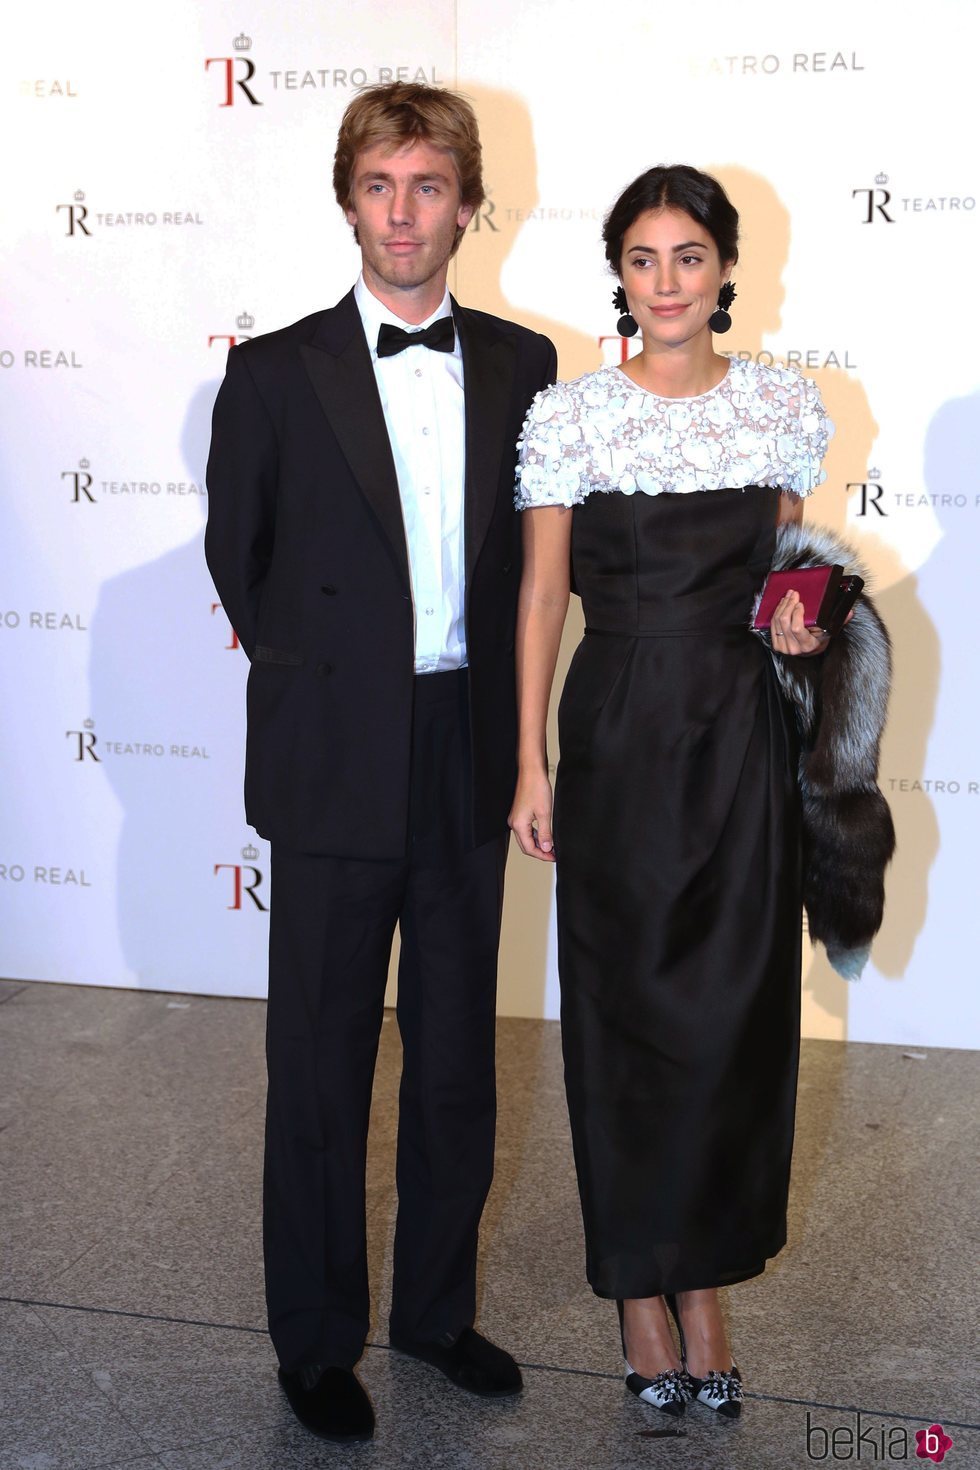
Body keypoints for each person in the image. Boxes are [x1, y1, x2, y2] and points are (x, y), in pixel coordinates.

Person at [205, 82, 556, 1445]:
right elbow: (244, 557)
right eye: (379, 185)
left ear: (468, 203)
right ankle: (313, 1336)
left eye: (428, 185)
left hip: (469, 748)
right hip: (337, 751)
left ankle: (433, 1312)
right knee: (323, 1060)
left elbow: (543, 566)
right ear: (349, 200)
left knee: (459, 1059)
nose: (403, 212)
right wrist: (331, 678)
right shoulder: (275, 370)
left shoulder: (527, 367)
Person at [509, 164, 835, 1420]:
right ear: (620, 276)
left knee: (732, 1022)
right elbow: (543, 599)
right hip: (619, 736)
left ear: (723, 271)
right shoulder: (572, 419)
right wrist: (530, 760)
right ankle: (640, 1297)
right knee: (624, 1017)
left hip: (740, 735)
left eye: (687, 258)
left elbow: (785, 581)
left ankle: (705, 1285)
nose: (665, 283)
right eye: (642, 260)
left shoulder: (777, 408)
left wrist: (802, 626)